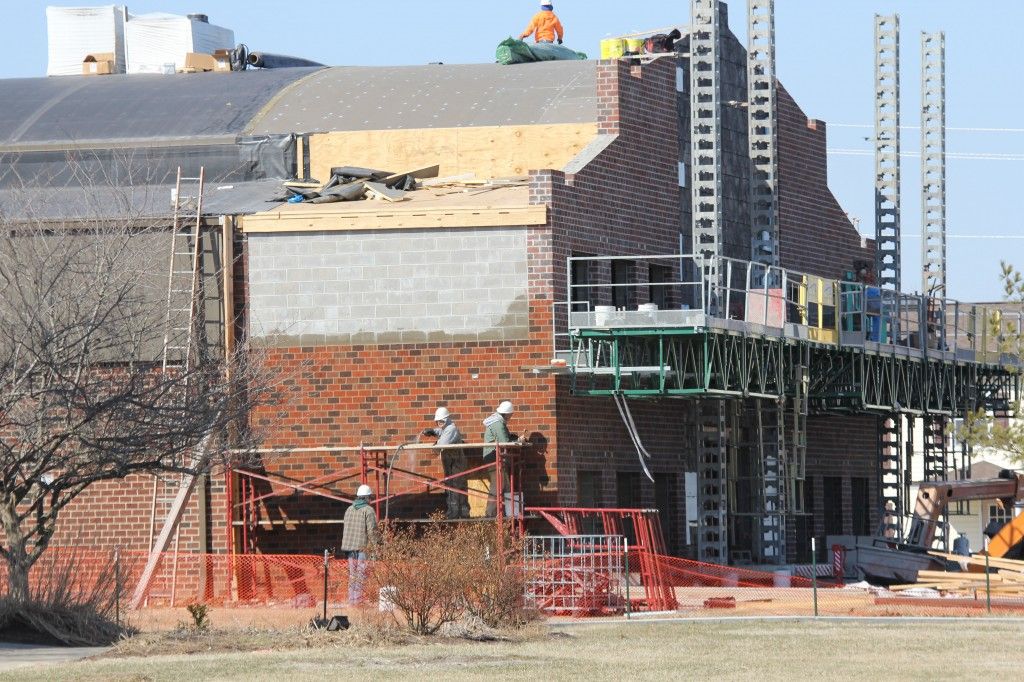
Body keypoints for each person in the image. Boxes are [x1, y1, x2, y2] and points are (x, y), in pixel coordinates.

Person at [421, 406, 470, 519]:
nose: (439, 423)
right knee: (450, 485)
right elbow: (440, 431)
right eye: (437, 421)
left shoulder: (451, 429)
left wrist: (434, 448)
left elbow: (441, 444)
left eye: (442, 421)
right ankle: (455, 511)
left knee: (456, 486)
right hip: (450, 462)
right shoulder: (445, 428)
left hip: (457, 463)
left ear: (447, 419)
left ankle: (459, 513)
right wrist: (432, 431)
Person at [340, 484, 380, 605]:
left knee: (353, 574)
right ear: (367, 498)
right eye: (370, 497)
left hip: (349, 548)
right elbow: (372, 531)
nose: (371, 499)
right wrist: (376, 546)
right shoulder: (368, 510)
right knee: (361, 575)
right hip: (362, 548)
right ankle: (357, 601)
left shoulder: (349, 509)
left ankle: (352, 600)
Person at [482, 400, 522, 517]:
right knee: (498, 485)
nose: (511, 416)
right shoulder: (498, 423)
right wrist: (518, 441)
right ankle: (491, 514)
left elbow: (505, 438)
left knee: (503, 485)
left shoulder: (498, 421)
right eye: (511, 414)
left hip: (495, 456)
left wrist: (514, 438)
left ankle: (501, 512)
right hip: (494, 457)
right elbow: (505, 442)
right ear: (507, 413)